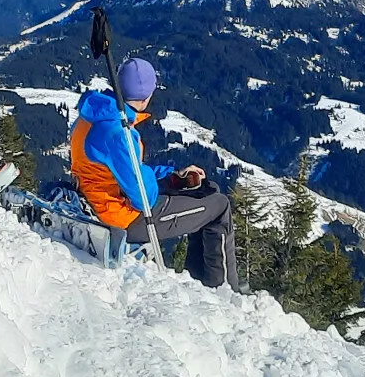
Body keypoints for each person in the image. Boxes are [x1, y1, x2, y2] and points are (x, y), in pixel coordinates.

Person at [70, 58, 241, 290]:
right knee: (219, 205)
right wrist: (164, 183)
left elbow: (123, 173)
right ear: (146, 96)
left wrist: (170, 176)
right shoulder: (117, 132)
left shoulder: (93, 116)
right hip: (122, 217)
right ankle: (225, 288)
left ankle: (202, 279)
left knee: (205, 191)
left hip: (100, 202)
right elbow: (144, 198)